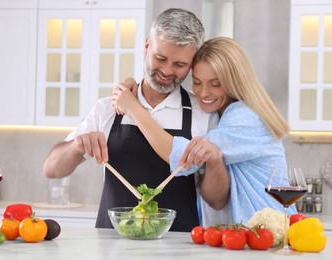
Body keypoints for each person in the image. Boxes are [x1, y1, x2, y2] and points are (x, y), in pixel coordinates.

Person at [43, 8, 229, 232]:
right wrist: (76, 146)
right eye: (160, 58)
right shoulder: (107, 107)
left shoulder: (203, 113)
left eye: (179, 65)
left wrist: (215, 161)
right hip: (112, 244)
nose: (167, 71)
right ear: (147, 46)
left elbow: (217, 201)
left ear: (192, 62)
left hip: (180, 246)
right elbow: (51, 169)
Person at [112, 37, 297, 225]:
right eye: (197, 82)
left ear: (236, 82)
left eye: (215, 84)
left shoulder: (246, 117)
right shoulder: (221, 117)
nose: (203, 93)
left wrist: (134, 109)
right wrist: (132, 83)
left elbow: (186, 158)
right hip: (249, 234)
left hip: (270, 232)